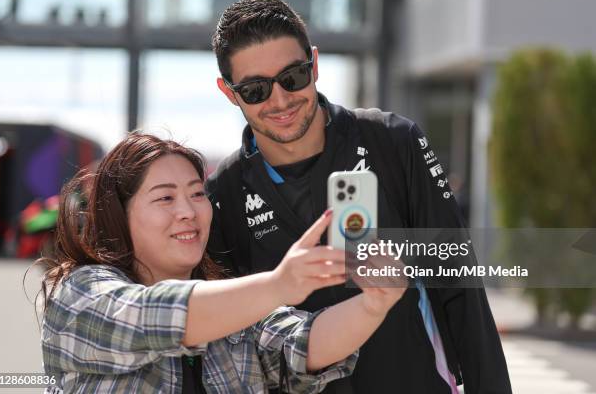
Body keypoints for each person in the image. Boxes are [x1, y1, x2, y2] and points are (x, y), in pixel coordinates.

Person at [206, 0, 512, 394]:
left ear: (314, 64)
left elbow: (458, 283)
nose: (280, 100)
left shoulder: (393, 142)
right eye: (255, 90)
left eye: (293, 77)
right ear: (229, 92)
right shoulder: (224, 192)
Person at [37, 133, 406, 393]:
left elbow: (304, 343)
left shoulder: (233, 307)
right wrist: (279, 284)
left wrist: (374, 304)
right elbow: (153, 315)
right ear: (118, 215)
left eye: (197, 193)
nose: (188, 211)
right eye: (165, 198)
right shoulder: (79, 295)